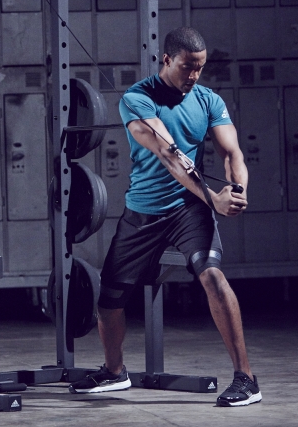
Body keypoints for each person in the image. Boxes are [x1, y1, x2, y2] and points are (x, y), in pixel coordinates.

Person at [69, 27, 261, 407]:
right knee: (109, 299)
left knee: (213, 277)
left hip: (189, 210)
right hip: (143, 210)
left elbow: (232, 153)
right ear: (167, 60)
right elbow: (167, 152)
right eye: (188, 67)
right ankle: (114, 372)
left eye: (200, 68)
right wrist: (213, 197)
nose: (194, 76)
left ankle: (247, 378)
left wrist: (237, 191)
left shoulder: (208, 100)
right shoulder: (137, 98)